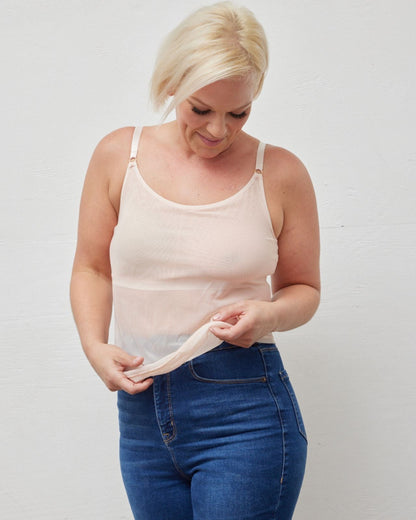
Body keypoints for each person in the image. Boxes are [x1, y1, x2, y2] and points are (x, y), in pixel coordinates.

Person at [70, 2, 320, 519]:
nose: (218, 130)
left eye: (238, 113)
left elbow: (304, 289)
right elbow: (91, 268)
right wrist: (94, 346)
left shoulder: (279, 173)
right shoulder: (119, 156)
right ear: (171, 84)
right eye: (201, 109)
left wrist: (269, 314)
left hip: (244, 410)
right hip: (140, 412)